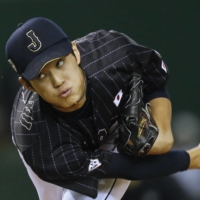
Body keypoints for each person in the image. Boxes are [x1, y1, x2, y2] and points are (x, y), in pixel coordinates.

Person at [5, 17, 200, 200]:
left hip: (107, 122)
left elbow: (152, 72)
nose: (58, 81)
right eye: (40, 76)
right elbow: (125, 168)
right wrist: (191, 158)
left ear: (76, 51)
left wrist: (165, 135)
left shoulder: (110, 52)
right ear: (27, 85)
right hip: (51, 142)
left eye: (60, 63)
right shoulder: (37, 140)